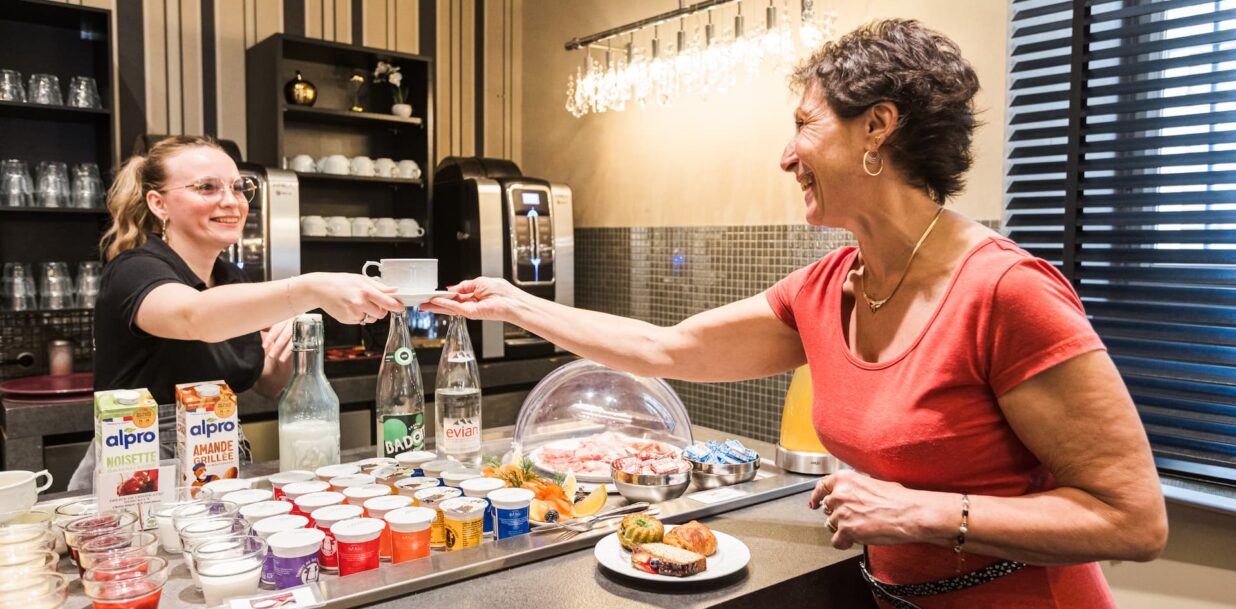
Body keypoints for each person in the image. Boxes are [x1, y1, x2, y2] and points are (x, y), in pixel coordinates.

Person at [423, 20, 1168, 608]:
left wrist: (928, 513)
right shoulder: (828, 288)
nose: (786, 155)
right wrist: (519, 303)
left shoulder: (1006, 291)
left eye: (805, 125)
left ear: (878, 128)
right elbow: (668, 348)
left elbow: (1133, 519)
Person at [69, 135, 403, 491]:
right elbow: (194, 317)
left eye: (239, 187)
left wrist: (294, 340)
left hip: (216, 465)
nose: (231, 201)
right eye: (206, 188)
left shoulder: (232, 279)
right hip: (136, 476)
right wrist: (309, 289)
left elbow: (271, 383)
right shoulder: (134, 269)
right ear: (158, 203)